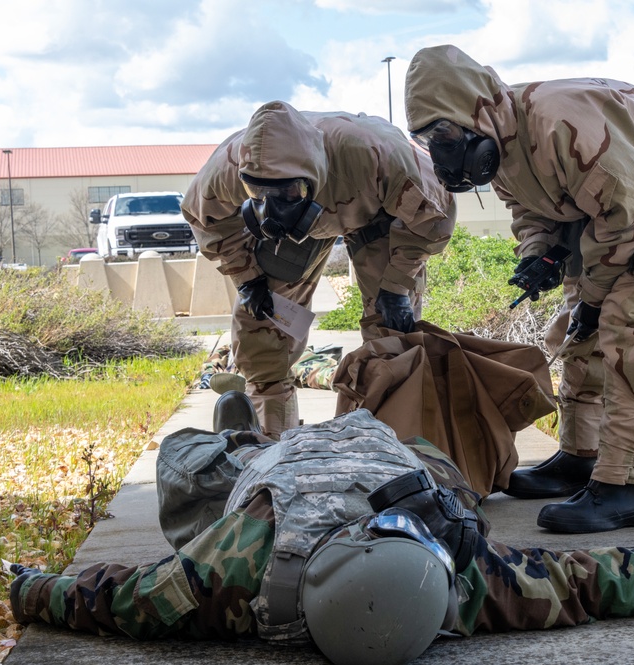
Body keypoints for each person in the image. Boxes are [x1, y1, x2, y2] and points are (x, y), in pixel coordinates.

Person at [8, 397, 634, 665]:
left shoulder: (226, 573)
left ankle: (235, 442)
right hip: (397, 455)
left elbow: (113, 598)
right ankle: (242, 439)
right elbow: (596, 583)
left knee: (186, 471)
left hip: (297, 469)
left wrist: (30, 589)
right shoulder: (469, 583)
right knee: (448, 476)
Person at [404, 45, 634, 534]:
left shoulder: (563, 122)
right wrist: (538, 255)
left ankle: (628, 486)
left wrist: (596, 300)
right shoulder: (499, 140)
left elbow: (627, 218)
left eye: (447, 134)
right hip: (602, 213)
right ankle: (580, 458)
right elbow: (529, 210)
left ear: (477, 108)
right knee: (579, 333)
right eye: (430, 138)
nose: (442, 148)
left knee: (629, 329)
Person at [182, 101, 457, 438]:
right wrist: (247, 276)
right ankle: (269, 442)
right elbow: (206, 220)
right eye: (258, 192)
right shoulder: (229, 167)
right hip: (301, 228)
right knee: (261, 325)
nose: (271, 207)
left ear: (310, 174)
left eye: (286, 192)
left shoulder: (377, 154)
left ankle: (386, 440)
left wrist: (398, 285)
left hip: (376, 214)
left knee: (391, 333)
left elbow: (434, 220)